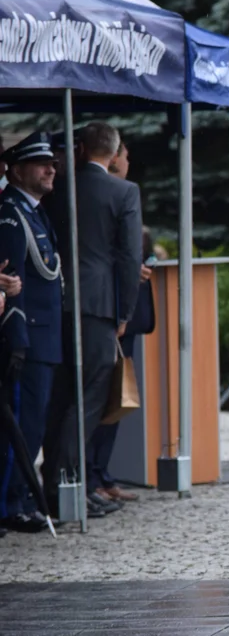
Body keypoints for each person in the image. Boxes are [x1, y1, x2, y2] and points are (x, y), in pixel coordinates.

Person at [42, 122, 143, 520]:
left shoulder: (58, 186)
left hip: (57, 301)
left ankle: (58, 484)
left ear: (81, 149)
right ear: (114, 153)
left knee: (60, 399)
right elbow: (129, 258)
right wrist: (124, 313)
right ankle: (70, 488)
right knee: (87, 402)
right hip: (98, 306)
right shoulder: (124, 191)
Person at [0, 132, 63, 534]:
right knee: (24, 425)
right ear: (18, 170)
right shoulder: (10, 213)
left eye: (52, 163)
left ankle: (22, 497)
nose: (51, 168)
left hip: (46, 335)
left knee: (36, 424)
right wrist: (16, 336)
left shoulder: (36, 210)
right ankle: (12, 503)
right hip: (29, 336)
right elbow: (11, 276)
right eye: (41, 164)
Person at [86, 143, 154, 504]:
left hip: (116, 308)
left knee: (114, 395)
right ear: (114, 158)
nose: (128, 162)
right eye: (126, 155)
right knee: (101, 396)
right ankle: (92, 475)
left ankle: (101, 473)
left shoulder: (122, 194)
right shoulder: (115, 194)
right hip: (108, 311)